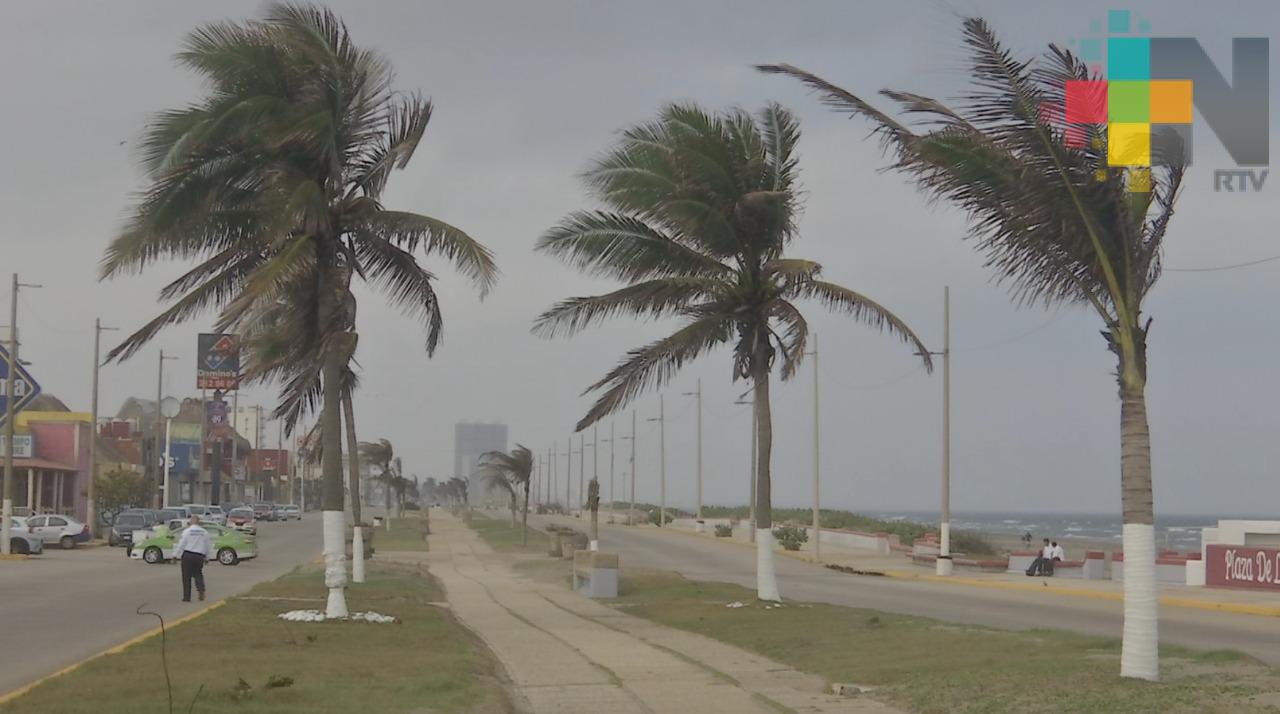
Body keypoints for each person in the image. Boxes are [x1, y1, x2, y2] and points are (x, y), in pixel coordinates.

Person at [175, 515, 214, 602]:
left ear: (191, 522)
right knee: (198, 574)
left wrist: (175, 554)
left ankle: (186, 597)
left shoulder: (187, 531)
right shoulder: (204, 532)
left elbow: (181, 544)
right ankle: (201, 589)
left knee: (186, 576)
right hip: (199, 555)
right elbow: (208, 545)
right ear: (198, 522)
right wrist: (208, 557)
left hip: (188, 555)